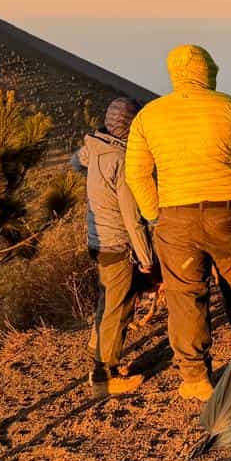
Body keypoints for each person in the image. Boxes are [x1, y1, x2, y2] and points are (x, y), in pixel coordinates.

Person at [125, 45, 231, 402]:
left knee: (185, 296)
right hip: (228, 211)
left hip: (175, 218)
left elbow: (136, 174)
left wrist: (156, 214)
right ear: (208, 70)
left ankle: (196, 378)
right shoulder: (230, 106)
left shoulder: (149, 115)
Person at [71, 97, 157, 396]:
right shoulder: (121, 160)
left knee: (110, 300)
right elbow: (132, 218)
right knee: (117, 308)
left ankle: (100, 353)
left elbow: (75, 162)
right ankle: (103, 376)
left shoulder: (95, 149)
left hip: (97, 241)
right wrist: (146, 258)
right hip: (117, 243)